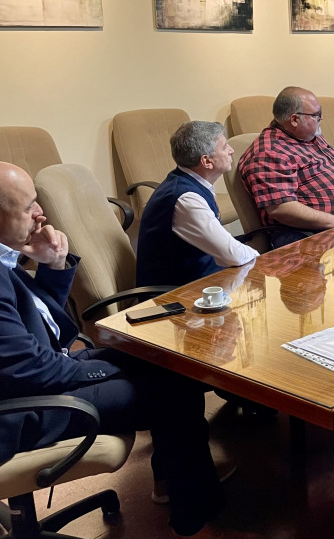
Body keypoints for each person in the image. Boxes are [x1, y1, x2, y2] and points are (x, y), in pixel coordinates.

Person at [0, 162, 243, 539]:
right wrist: (108, 370)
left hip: (41, 373)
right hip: (24, 407)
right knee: (172, 393)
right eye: (28, 206)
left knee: (169, 361)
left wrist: (54, 264)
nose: (40, 213)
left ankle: (170, 481)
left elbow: (42, 324)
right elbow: (32, 371)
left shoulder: (5, 259)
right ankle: (195, 525)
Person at [238, 86, 334, 248]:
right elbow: (281, 208)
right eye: (316, 115)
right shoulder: (269, 152)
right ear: (294, 119)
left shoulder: (308, 136)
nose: (321, 119)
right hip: (317, 231)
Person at [136, 121, 258, 287]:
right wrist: (263, 258)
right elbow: (233, 255)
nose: (231, 150)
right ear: (207, 161)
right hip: (175, 298)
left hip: (202, 282)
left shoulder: (189, 182)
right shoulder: (186, 199)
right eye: (224, 147)